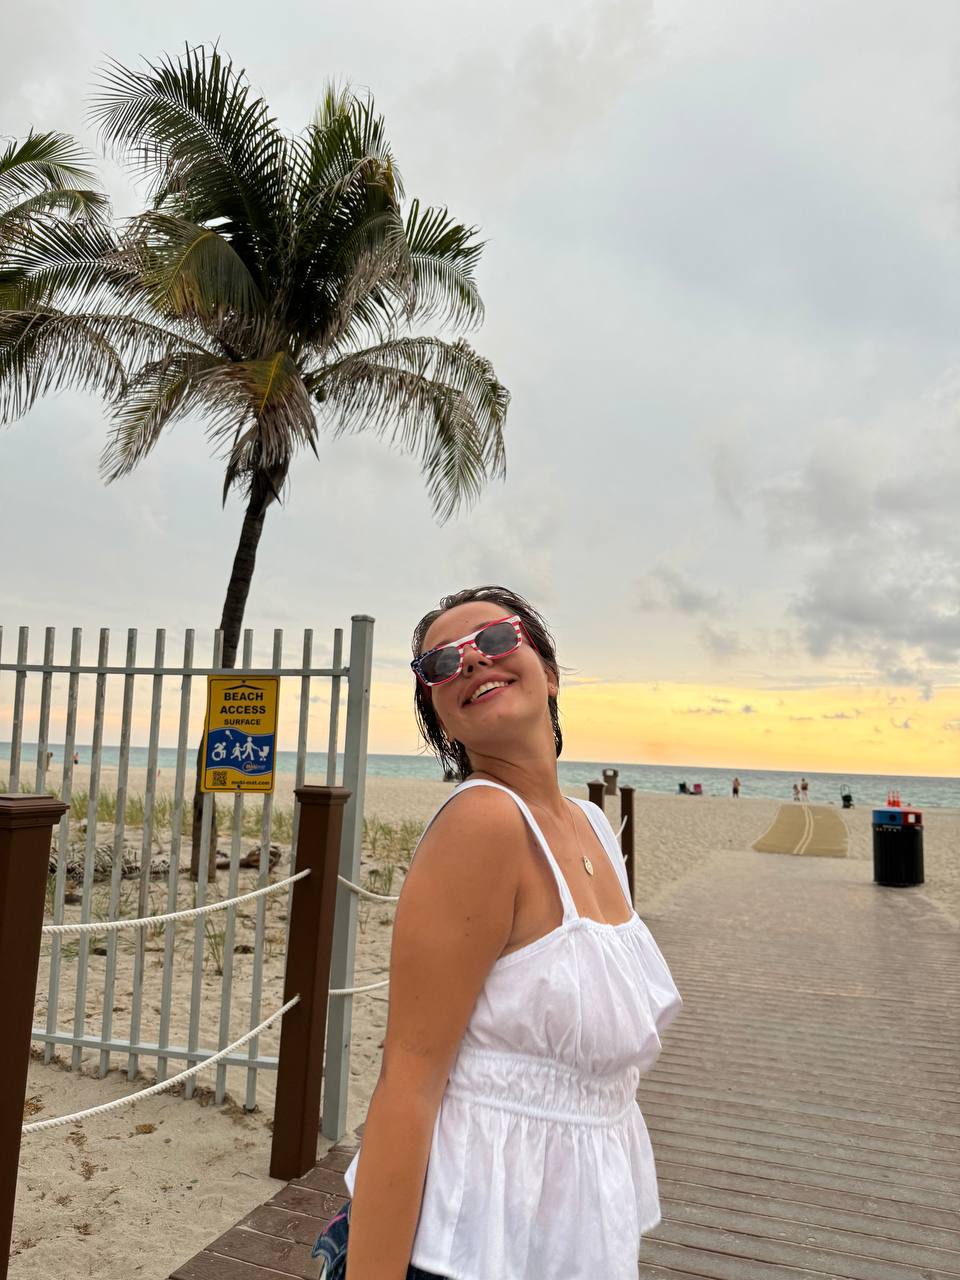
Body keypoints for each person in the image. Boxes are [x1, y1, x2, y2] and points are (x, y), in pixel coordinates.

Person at [331, 586, 682, 1280]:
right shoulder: (484, 824)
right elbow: (409, 1076)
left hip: (572, 1230)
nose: (470, 661)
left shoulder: (592, 827)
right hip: (470, 1238)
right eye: (441, 663)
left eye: (495, 640)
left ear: (548, 672)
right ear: (441, 718)